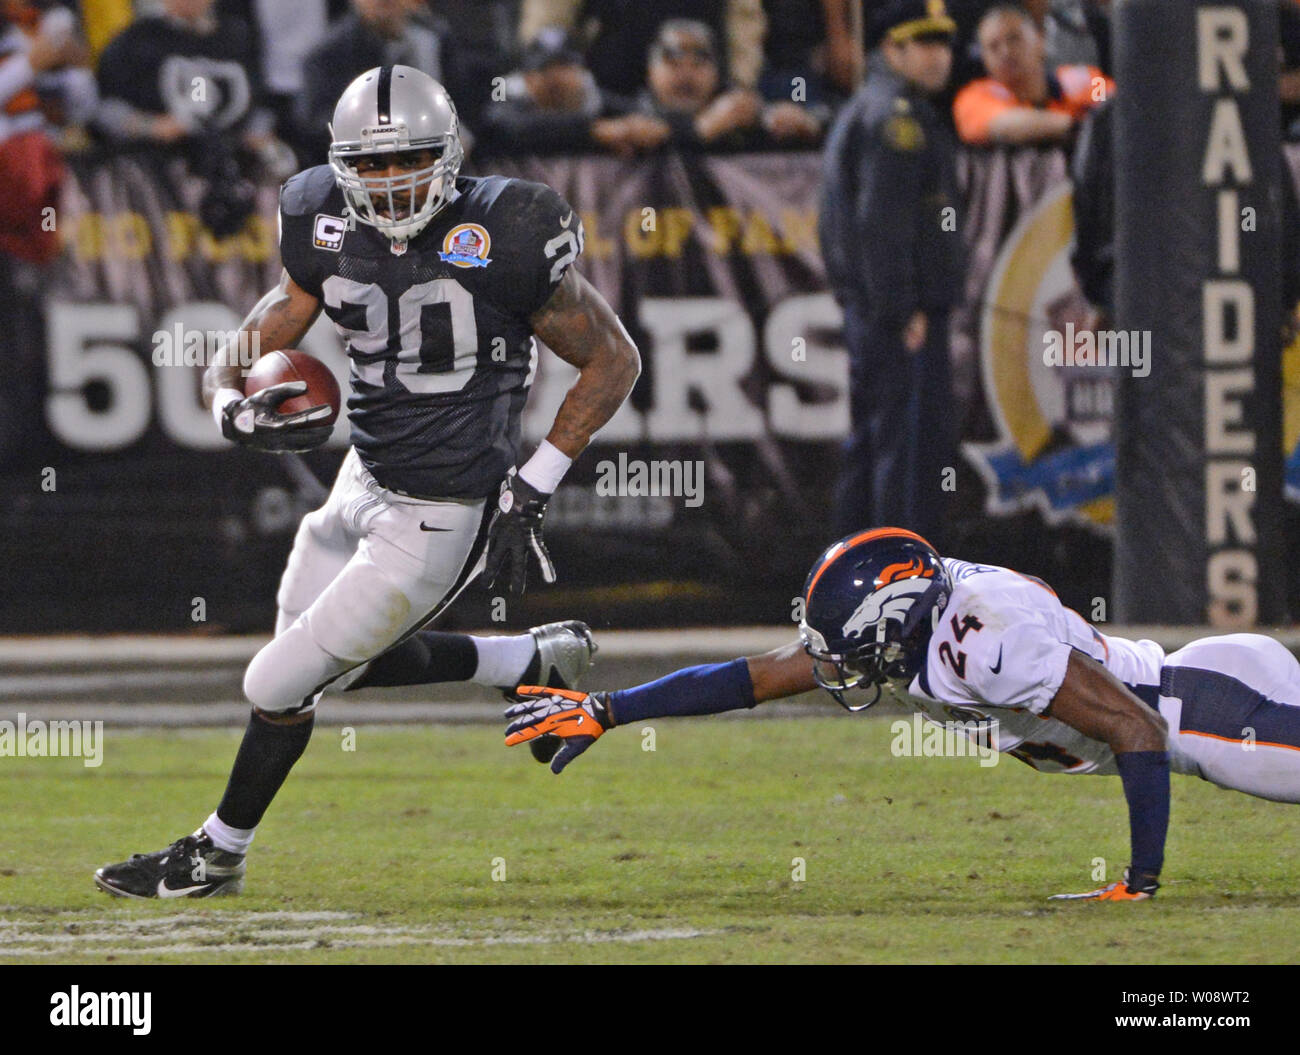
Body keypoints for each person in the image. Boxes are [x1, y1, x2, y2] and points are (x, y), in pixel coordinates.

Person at [93, 64, 641, 899]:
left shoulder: (510, 227)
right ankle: (531, 658)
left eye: (408, 159)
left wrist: (532, 485)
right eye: (372, 164)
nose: (389, 181)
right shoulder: (317, 213)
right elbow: (282, 309)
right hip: (363, 473)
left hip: (443, 507)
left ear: (448, 152)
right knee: (319, 667)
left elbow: (612, 358)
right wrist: (223, 396)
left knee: (274, 680)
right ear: (343, 165)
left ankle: (217, 853)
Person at [505, 527, 1300, 901]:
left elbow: (1138, 730)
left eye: (850, 648)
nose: (835, 667)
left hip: (1207, 713)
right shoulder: (919, 616)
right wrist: (610, 708)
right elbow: (753, 677)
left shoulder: (986, 638)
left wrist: (1141, 884)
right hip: (1201, 691)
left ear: (897, 621)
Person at [818, 0, 963, 544]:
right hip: (900, 314)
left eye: (943, 43)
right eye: (923, 44)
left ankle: (851, 581)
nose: (939, 56)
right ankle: (899, 583)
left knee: (877, 441)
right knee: (906, 452)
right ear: (891, 49)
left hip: (881, 309)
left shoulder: (874, 106)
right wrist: (904, 308)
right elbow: (883, 223)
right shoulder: (898, 119)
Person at [952, 3, 1111, 146]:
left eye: (1014, 38)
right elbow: (1004, 126)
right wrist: (1078, 126)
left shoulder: (1089, 78)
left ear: (1041, 39)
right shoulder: (971, 97)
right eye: (993, 47)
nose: (1006, 52)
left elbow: (1113, 106)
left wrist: (1095, 121)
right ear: (984, 58)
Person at [478, 26, 635, 156]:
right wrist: (591, 131)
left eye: (565, 68)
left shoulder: (591, 95)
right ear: (529, 76)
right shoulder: (506, 89)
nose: (557, 80)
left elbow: (638, 117)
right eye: (546, 71)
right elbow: (502, 125)